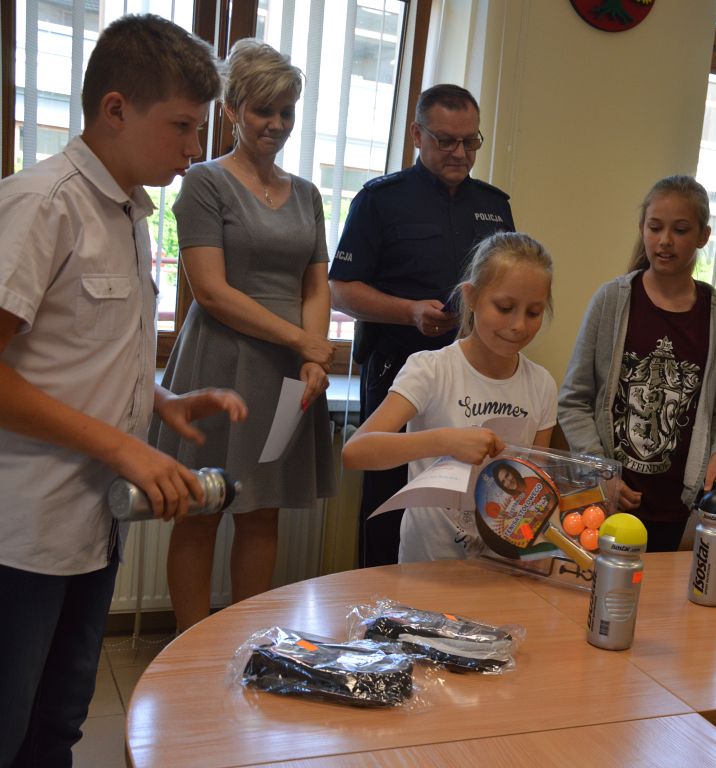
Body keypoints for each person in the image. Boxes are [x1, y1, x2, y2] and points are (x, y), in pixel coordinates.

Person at [0, 15, 247, 766]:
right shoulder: (42, 204)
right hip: (21, 532)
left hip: (92, 526)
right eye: (181, 125)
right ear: (115, 109)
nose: (194, 148)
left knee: (57, 726)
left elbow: (75, 354)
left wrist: (160, 399)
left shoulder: (131, 212)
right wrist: (122, 446)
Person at [149, 39, 336, 632]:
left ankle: (245, 644)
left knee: (262, 513)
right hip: (218, 362)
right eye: (263, 110)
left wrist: (313, 357)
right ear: (232, 110)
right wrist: (302, 342)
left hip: (287, 375)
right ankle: (190, 648)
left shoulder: (306, 194)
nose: (276, 124)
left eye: (286, 112)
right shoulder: (205, 182)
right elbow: (210, 291)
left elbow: (316, 285)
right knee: (201, 508)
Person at [329, 84, 515, 567]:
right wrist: (409, 311)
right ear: (416, 134)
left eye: (471, 141)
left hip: (472, 374)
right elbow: (340, 289)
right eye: (445, 140)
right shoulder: (380, 200)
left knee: (465, 500)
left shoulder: (494, 205)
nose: (460, 153)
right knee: (389, 499)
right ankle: (378, 601)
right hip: (397, 366)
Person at [342, 232, 557, 563]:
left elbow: (535, 484)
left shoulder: (542, 385)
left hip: (501, 569)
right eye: (505, 308)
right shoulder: (431, 370)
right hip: (426, 567)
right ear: (471, 297)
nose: (518, 325)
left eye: (534, 312)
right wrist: (446, 441)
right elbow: (356, 452)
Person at [557, 175, 716, 552]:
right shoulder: (611, 300)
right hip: (606, 499)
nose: (665, 240)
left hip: (675, 505)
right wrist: (602, 472)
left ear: (704, 236)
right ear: (642, 228)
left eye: (680, 230)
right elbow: (573, 401)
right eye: (655, 227)